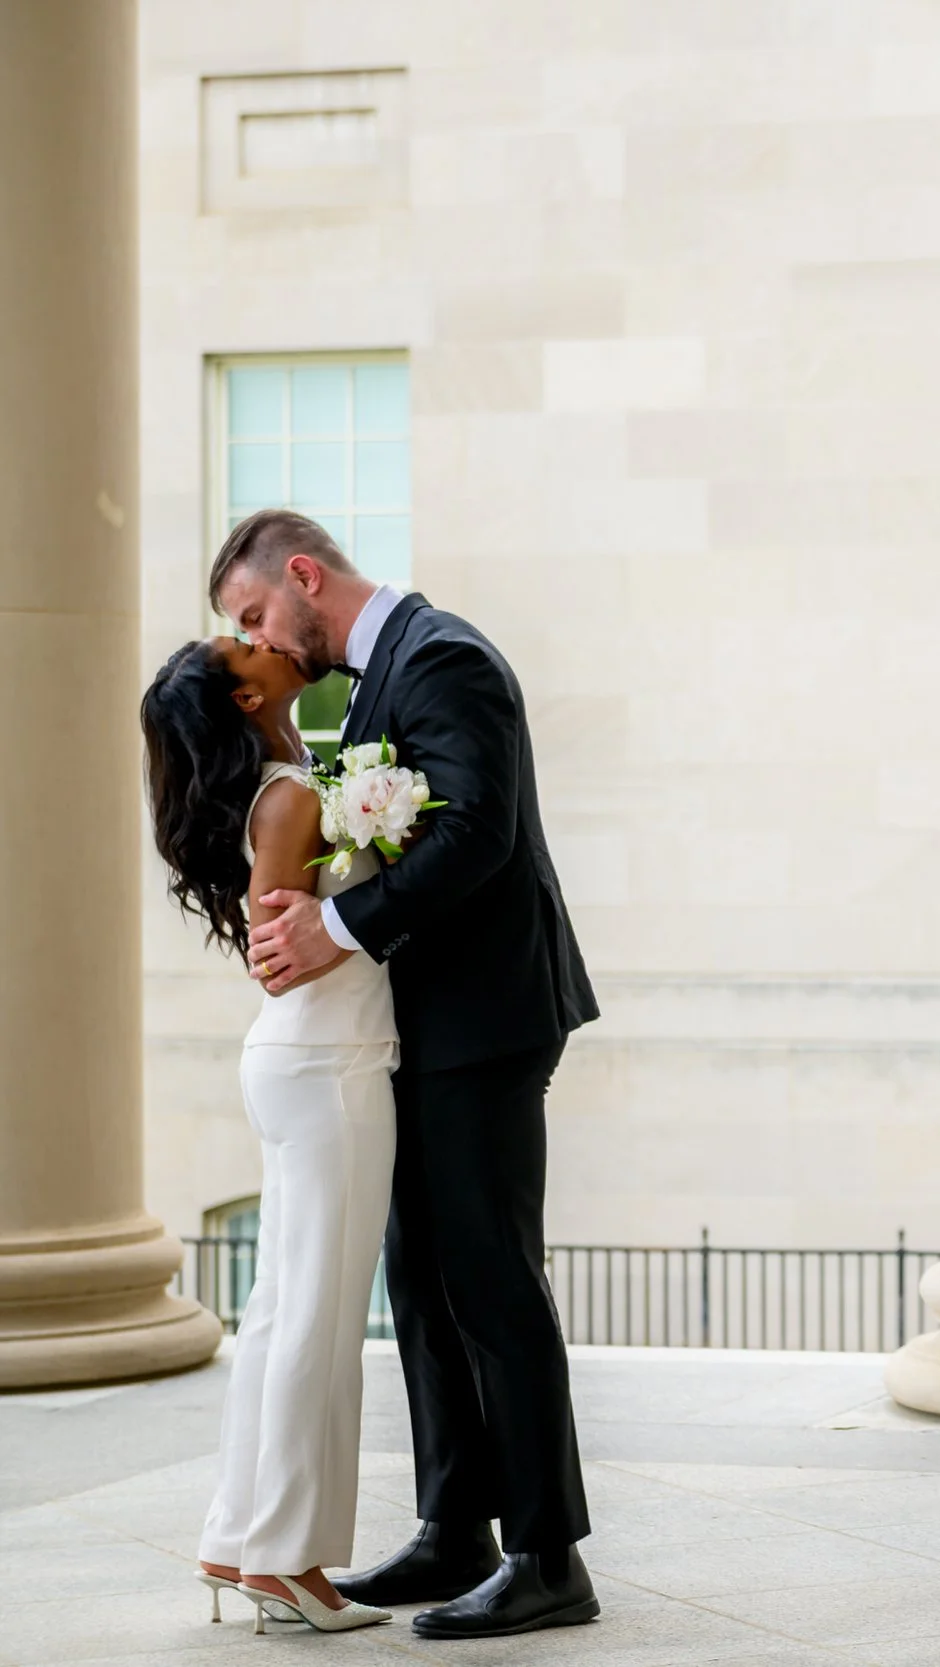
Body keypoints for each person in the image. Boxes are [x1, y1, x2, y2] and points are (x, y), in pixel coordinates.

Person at [212, 509, 603, 1640]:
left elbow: (475, 829)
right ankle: (453, 1528)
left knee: (489, 1281)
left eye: (252, 616)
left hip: (486, 1022)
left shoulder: (444, 657)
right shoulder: (373, 681)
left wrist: (338, 924)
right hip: (420, 1030)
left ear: (301, 575)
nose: (259, 644)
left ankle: (547, 1554)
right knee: (422, 1283)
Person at [142, 633, 397, 1635]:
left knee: (283, 1303)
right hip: (326, 1067)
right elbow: (277, 950)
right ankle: (289, 1557)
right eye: (243, 641)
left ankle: (237, 1534)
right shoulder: (290, 794)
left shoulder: (287, 784)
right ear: (246, 693)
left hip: (305, 1066)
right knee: (317, 1319)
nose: (265, 638)